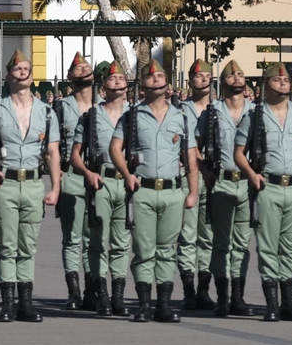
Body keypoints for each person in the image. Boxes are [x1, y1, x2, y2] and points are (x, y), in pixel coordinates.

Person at [110, 60, 199, 323]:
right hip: (143, 190)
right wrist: (127, 175)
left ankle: (164, 305)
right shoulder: (132, 116)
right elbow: (115, 148)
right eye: (151, 77)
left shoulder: (181, 117)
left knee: (167, 249)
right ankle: (144, 305)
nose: (156, 79)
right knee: (144, 249)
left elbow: (190, 158)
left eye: (160, 75)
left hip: (172, 191)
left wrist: (192, 193)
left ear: (168, 83)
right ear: (142, 85)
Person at [0, 49, 60, 323]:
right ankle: (8, 304)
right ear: (8, 76)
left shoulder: (46, 112)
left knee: (28, 247)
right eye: (17, 69)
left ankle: (26, 304)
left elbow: (52, 153)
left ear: (32, 76)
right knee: (7, 245)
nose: (22, 73)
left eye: (26, 69)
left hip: (34, 183)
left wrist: (55, 187)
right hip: (7, 183)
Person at [235, 64, 292, 322]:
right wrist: (252, 174)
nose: (283, 83)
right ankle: (272, 304)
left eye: (286, 80)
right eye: (277, 80)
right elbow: (238, 153)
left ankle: (290, 304)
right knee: (268, 247)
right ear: (266, 85)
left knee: (291, 247)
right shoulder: (255, 116)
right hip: (268, 188)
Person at [197, 61, 255, 316]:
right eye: (231, 75)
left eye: (240, 74)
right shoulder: (212, 112)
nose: (237, 78)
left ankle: (238, 298)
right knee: (221, 243)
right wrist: (205, 171)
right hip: (221, 181)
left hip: (247, 183)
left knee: (242, 243)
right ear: (222, 82)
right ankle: (222, 298)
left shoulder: (256, 111)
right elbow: (195, 148)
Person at [74, 60, 129, 316]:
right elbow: (76, 155)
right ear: (103, 86)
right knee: (97, 241)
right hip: (102, 181)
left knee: (121, 243)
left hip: (126, 183)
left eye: (121, 78)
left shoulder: (136, 115)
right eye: (112, 78)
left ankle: (118, 296)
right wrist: (87, 172)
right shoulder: (91, 116)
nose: (117, 81)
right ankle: (102, 294)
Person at [53, 52, 95, 311]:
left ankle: (92, 290)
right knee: (71, 238)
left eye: (87, 68)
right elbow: (53, 146)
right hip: (71, 176)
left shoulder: (103, 105)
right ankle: (74, 292)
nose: (83, 71)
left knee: (93, 238)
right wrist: (56, 178)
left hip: (98, 177)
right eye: (78, 69)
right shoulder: (61, 107)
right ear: (70, 77)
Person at [177, 61, 216, 310]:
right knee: (187, 236)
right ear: (190, 80)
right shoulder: (180, 111)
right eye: (199, 76)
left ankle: (204, 289)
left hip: (213, 177)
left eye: (207, 76)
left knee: (208, 237)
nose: (204, 79)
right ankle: (188, 289)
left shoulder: (219, 109)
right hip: (188, 176)